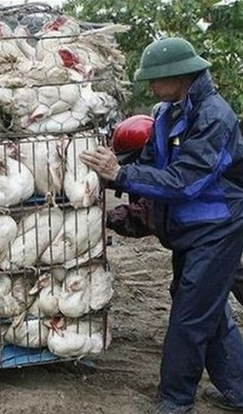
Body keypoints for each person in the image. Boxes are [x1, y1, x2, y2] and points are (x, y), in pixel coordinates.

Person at [80, 37, 243, 413]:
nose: (150, 86)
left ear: (179, 76)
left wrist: (120, 174)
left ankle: (175, 400)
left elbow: (186, 181)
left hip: (217, 227)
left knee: (190, 315)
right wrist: (110, 173)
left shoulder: (215, 116)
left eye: (154, 78)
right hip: (189, 228)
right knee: (207, 311)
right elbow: (153, 165)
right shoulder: (166, 113)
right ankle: (238, 387)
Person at [107, 115, 243, 306]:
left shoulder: (168, 173)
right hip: (196, 233)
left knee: (222, 276)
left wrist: (107, 218)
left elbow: (149, 214)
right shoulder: (157, 166)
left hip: (212, 228)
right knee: (190, 293)